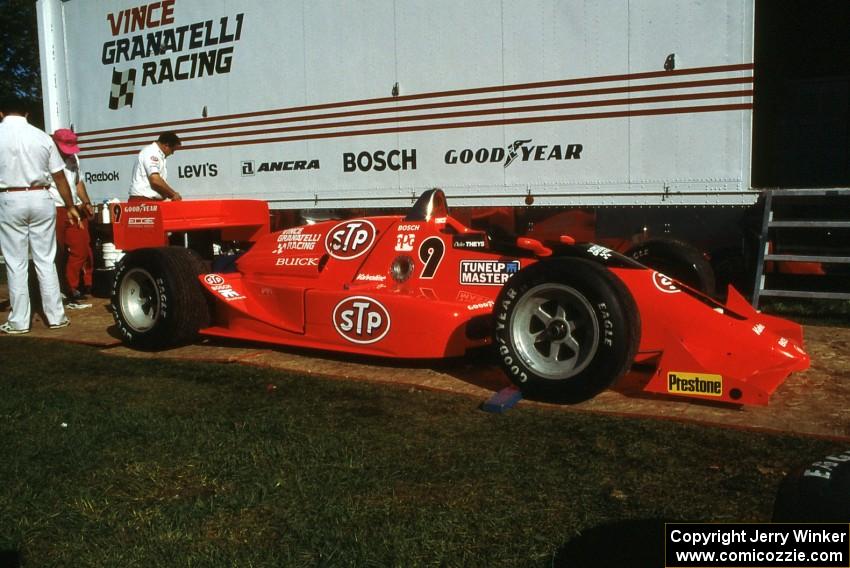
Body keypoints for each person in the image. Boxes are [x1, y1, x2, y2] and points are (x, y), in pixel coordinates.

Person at [0, 97, 81, 334]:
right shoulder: (42, 137)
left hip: (9, 197)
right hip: (41, 197)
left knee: (16, 262)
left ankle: (19, 321)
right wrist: (70, 206)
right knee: (46, 259)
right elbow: (59, 177)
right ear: (26, 113)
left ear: (2, 113)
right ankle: (56, 316)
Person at [50, 128, 95, 308]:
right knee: (57, 252)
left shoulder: (74, 158)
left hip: (74, 208)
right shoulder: (46, 157)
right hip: (54, 207)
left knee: (81, 248)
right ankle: (61, 290)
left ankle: (72, 288)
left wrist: (86, 202)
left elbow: (78, 182)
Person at [128, 131, 183, 201]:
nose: (172, 153)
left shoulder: (157, 154)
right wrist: (173, 194)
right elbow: (155, 180)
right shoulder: (151, 152)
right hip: (143, 201)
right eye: (172, 150)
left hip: (148, 201)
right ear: (166, 145)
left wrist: (170, 194)